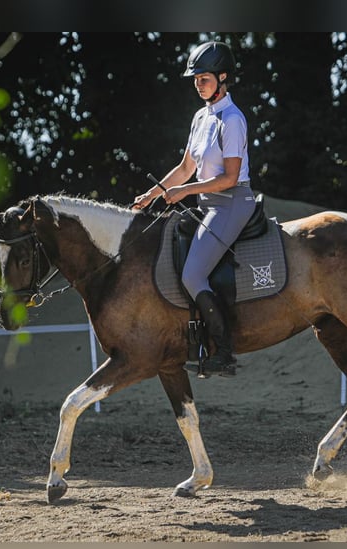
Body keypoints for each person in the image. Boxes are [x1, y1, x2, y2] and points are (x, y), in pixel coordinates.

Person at [133, 40, 255, 378]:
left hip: (232, 202)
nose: (197, 84)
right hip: (207, 202)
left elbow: (230, 177)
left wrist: (185, 191)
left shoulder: (232, 119)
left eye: (203, 78)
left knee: (192, 274)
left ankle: (223, 351)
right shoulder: (201, 117)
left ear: (223, 77)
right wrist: (152, 194)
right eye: (195, 79)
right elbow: (186, 167)